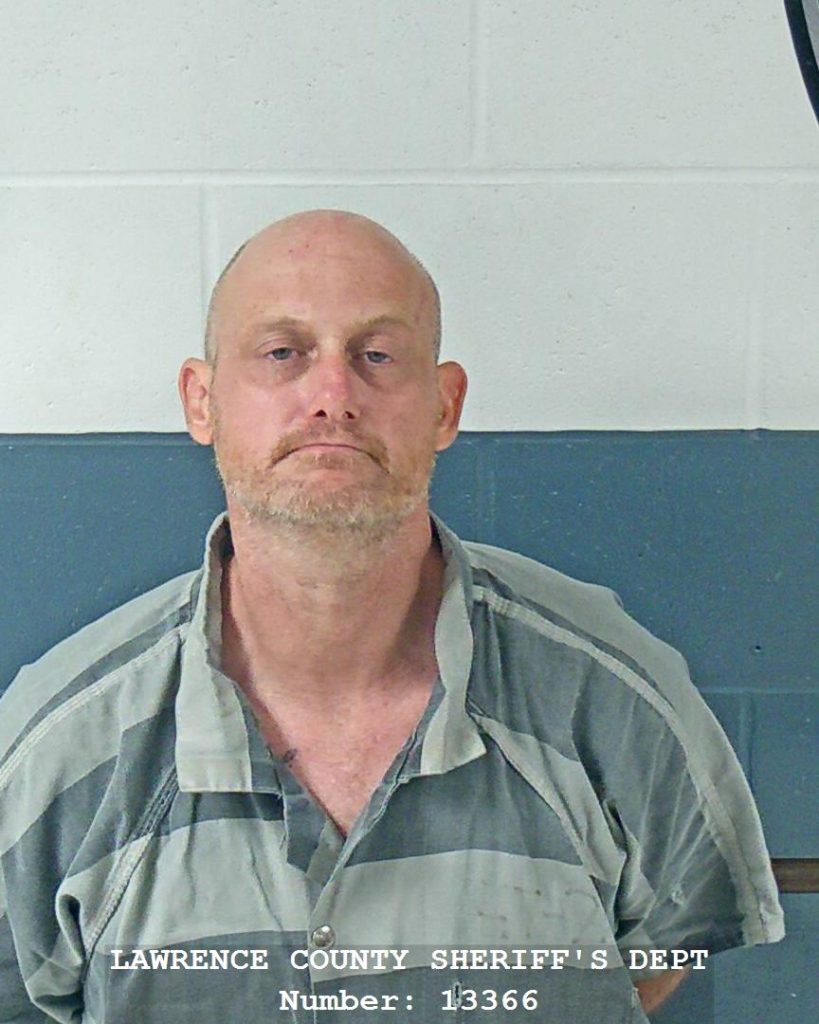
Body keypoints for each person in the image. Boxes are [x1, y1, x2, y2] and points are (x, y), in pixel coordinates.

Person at [0, 210, 784, 1023]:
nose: (332, 397)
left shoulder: (614, 697)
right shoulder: (60, 746)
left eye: (376, 355)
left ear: (444, 405)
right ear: (202, 402)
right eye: (282, 353)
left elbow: (665, 954)